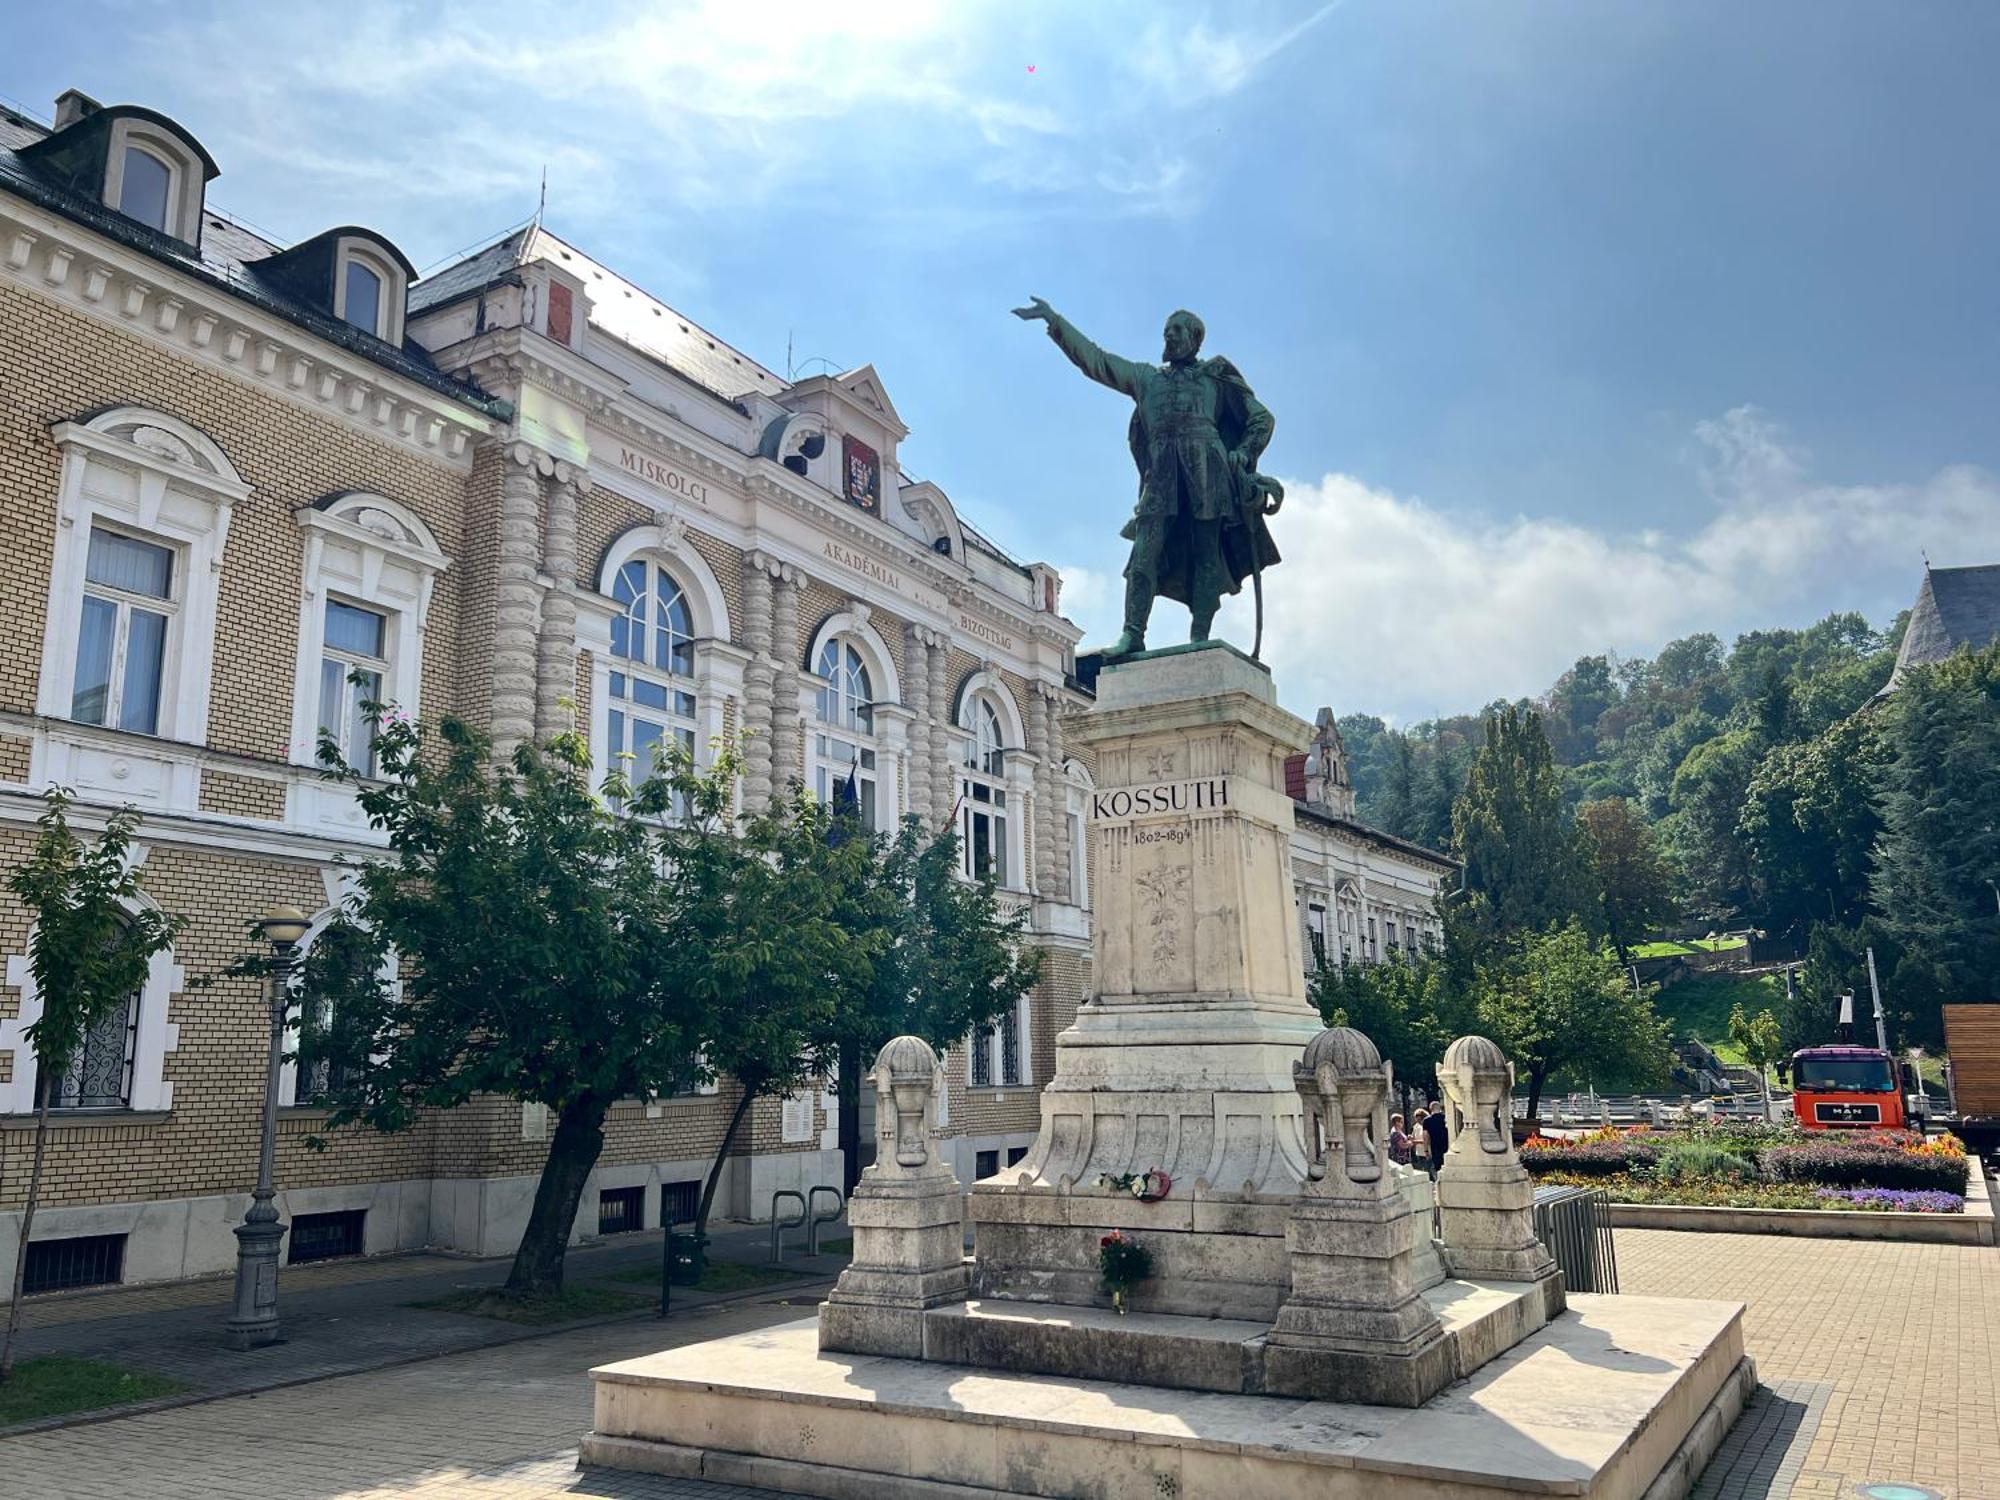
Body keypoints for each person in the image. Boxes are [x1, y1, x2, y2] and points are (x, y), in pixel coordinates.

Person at [1421, 1099, 1449, 1174]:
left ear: (1430, 1109)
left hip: (1435, 1147)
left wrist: (1426, 1150)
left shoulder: (1427, 1121)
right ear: (1440, 1108)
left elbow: (1425, 1136)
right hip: (1448, 1145)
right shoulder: (1447, 1118)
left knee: (1438, 1167)